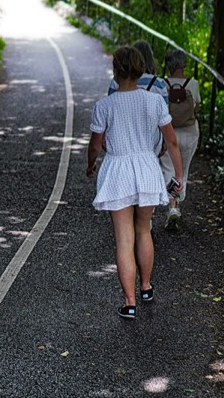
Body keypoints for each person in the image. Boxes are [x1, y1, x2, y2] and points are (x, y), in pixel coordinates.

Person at [87, 46, 184, 320]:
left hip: (118, 171)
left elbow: (95, 146)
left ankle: (129, 303)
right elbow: (171, 140)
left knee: (123, 239)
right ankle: (146, 286)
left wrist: (90, 165)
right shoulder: (154, 102)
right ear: (140, 68)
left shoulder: (104, 106)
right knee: (144, 231)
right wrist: (179, 175)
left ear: (116, 71)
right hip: (146, 168)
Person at [160, 49, 201, 229]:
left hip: (169, 132)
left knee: (169, 168)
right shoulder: (194, 84)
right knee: (183, 170)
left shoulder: (162, 84)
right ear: (184, 64)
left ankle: (172, 206)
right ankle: (177, 204)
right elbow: (196, 108)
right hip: (190, 131)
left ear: (168, 65)